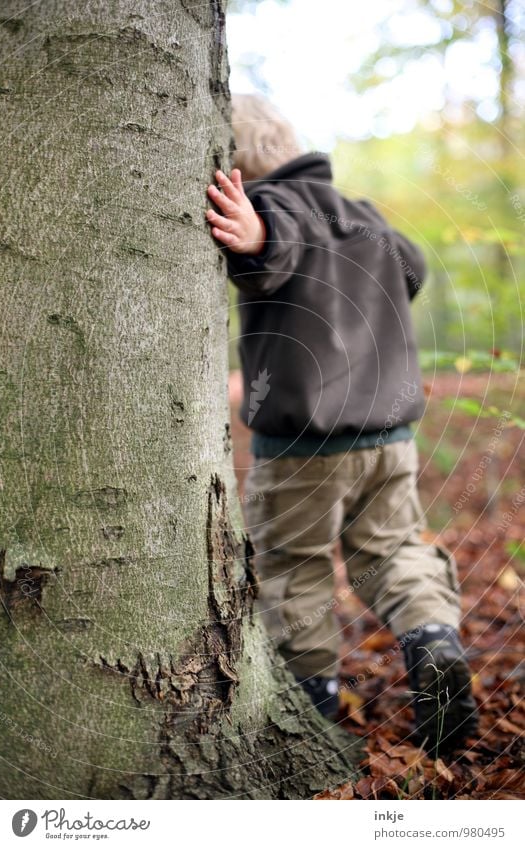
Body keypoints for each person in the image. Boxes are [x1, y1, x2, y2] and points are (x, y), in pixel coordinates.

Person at [205, 94, 478, 752]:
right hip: (388, 440)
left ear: (238, 167)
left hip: (301, 447)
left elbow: (273, 246)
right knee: (390, 551)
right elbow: (410, 265)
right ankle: (432, 636)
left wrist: (256, 238)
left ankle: (309, 702)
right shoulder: (365, 217)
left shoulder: (274, 208)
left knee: (291, 565)